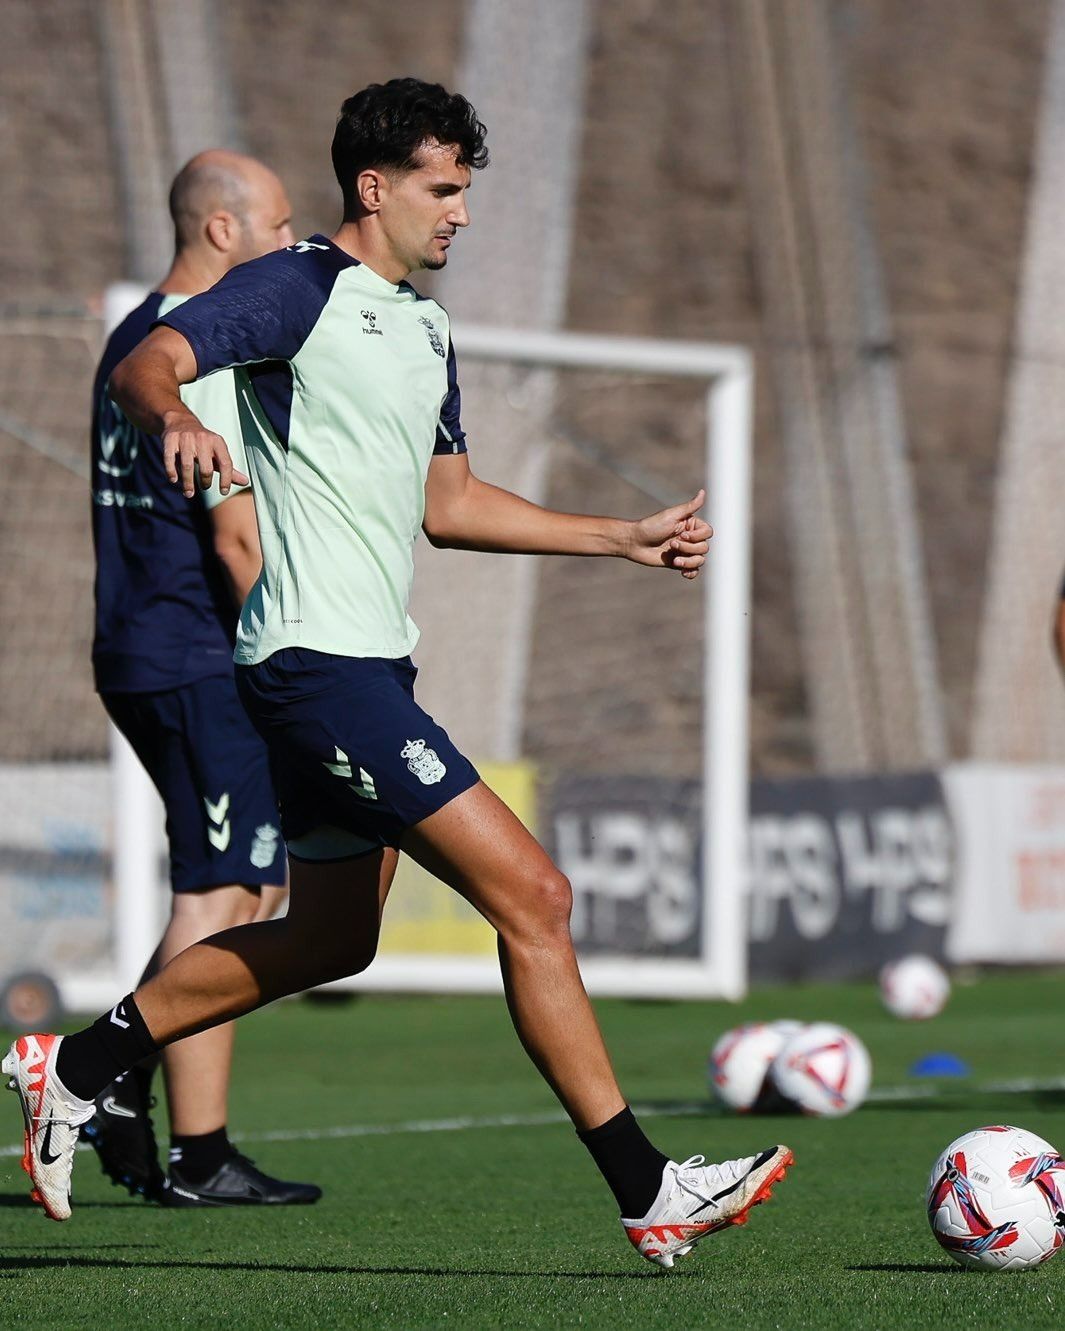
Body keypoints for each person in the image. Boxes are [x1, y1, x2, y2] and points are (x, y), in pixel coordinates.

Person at [5, 80, 791, 1266]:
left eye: (466, 189)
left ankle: (78, 1062)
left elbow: (451, 504)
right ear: (373, 187)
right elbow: (151, 360)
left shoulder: (423, 326)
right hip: (311, 665)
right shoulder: (295, 285)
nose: (460, 211)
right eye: (443, 187)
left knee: (333, 942)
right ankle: (648, 1183)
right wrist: (172, 412)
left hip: (371, 665)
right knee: (537, 896)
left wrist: (618, 536)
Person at [83, 149, 319, 1208]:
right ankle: (172, 1124)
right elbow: (235, 537)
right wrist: (301, 654)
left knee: (248, 881)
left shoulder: (133, 339)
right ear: (221, 230)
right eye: (273, 223)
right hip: (194, 650)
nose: (285, 240)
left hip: (147, 645)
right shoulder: (200, 355)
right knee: (226, 888)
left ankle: (125, 1081)